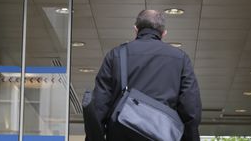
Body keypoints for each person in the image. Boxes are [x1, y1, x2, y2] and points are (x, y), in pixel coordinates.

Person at [83, 9, 202, 141]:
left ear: (136, 29)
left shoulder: (116, 55)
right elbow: (190, 109)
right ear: (163, 33)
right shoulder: (180, 58)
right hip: (162, 135)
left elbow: (99, 106)